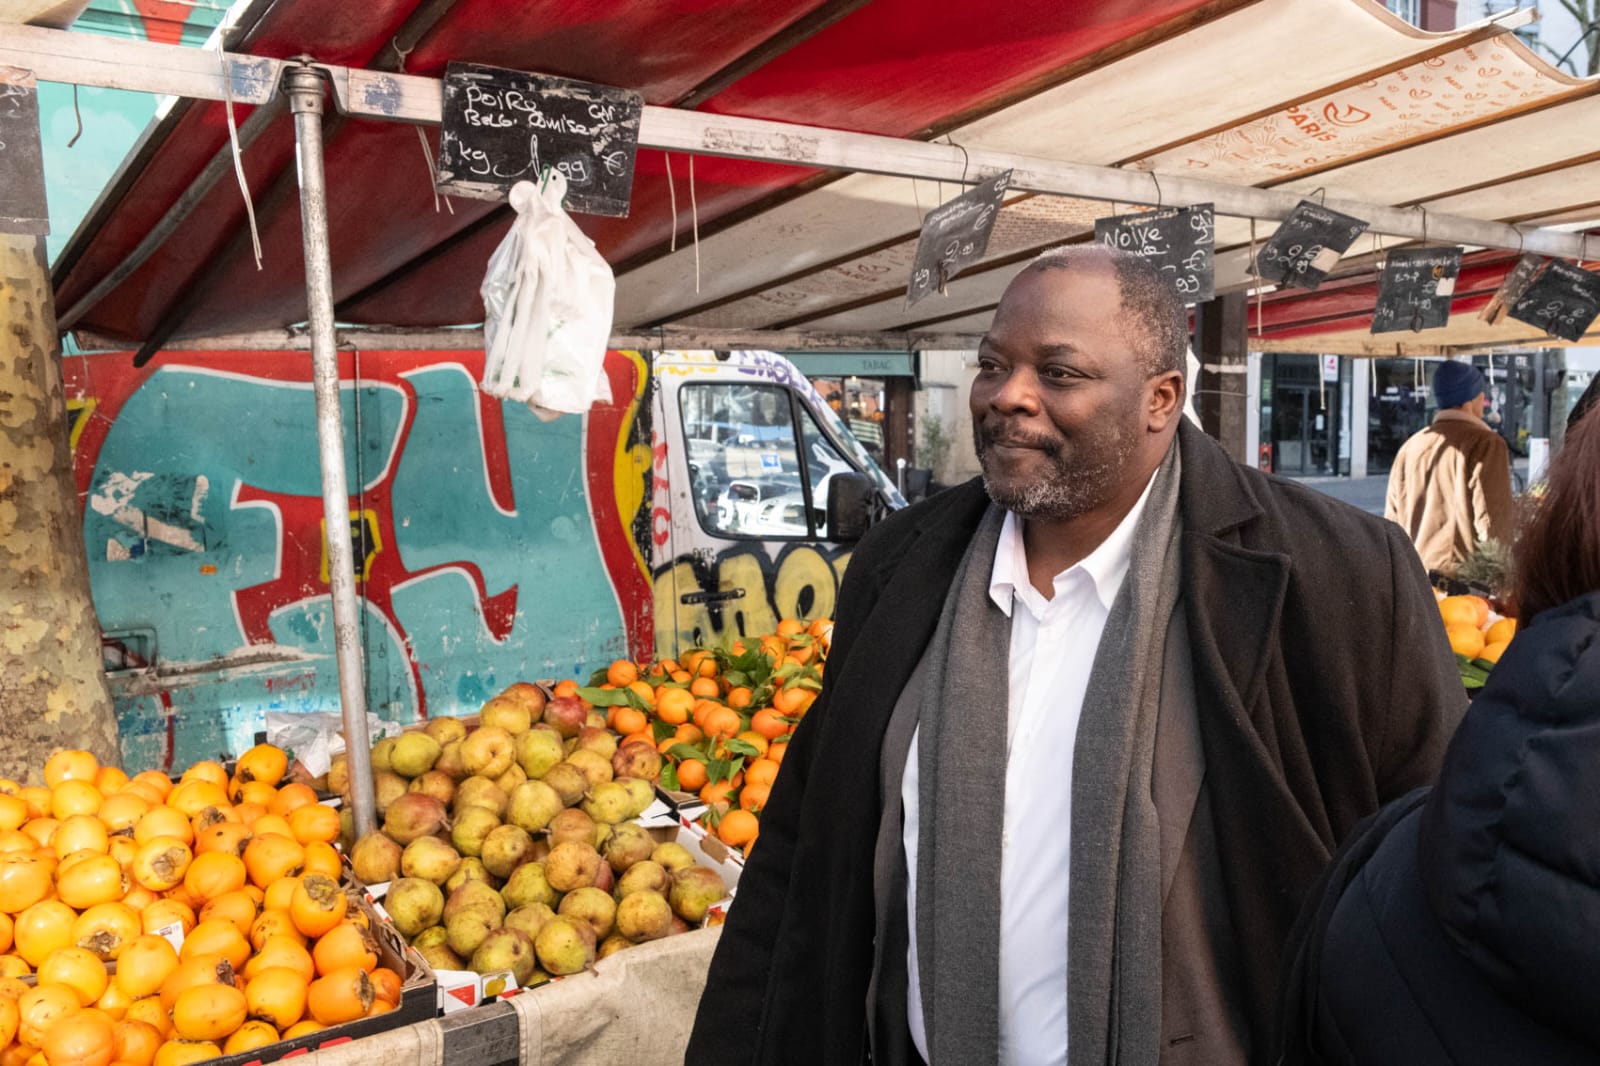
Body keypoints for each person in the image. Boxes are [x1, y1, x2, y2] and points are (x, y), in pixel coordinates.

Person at [685, 245, 1466, 1066]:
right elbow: (802, 852)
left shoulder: (1336, 574)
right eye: (993, 364)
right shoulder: (901, 566)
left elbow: (1429, 885)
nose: (1008, 396)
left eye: (1058, 373)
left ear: (1161, 398)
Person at [1278, 405, 1600, 1065]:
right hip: (1469, 582)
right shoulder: (1482, 445)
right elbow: (1492, 520)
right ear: (1477, 403)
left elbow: (1395, 505)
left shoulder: (1386, 869)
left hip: (1426, 576)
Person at [1384, 360, 1515, 576]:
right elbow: (1493, 522)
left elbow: (1391, 524)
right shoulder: (1486, 443)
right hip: (1462, 584)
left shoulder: (1411, 446)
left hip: (1414, 579)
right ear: (1472, 400)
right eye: (1482, 398)